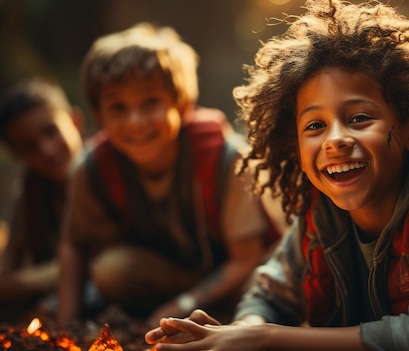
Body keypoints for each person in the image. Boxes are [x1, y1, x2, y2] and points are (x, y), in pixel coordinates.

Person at [145, 1, 409, 350]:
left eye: (359, 118)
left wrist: (267, 338)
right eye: (314, 126)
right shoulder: (320, 213)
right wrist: (243, 330)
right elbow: (269, 292)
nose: (335, 140)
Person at [57, 22, 283, 328]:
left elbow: (245, 259)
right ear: (99, 116)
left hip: (233, 275)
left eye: (151, 102)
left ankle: (231, 325)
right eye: (118, 107)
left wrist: (179, 305)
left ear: (183, 105)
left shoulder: (226, 158)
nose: (135, 122)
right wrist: (67, 321)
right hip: (167, 273)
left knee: (264, 283)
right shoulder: (91, 167)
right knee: (110, 270)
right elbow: (74, 244)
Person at [0, 77, 84, 320]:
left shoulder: (106, 173)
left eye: (51, 132)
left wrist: (21, 283)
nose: (46, 151)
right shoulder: (28, 193)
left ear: (75, 121)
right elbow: (12, 261)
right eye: (29, 147)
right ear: (17, 154)